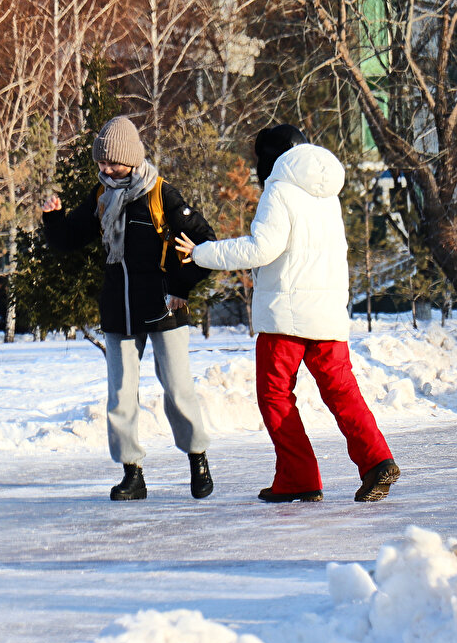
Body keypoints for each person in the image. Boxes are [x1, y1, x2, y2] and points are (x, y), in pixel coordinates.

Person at [176, 124, 398, 503]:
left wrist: (202, 252)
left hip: (287, 316)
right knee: (342, 392)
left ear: (271, 157)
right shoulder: (327, 195)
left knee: (274, 394)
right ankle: (377, 461)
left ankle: (298, 477)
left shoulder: (279, 191)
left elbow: (262, 249)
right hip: (327, 313)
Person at [42, 115, 217, 500]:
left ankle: (197, 459)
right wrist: (53, 220)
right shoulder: (101, 196)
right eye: (101, 164)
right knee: (120, 393)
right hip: (118, 309)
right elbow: (71, 239)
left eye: (114, 163)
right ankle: (132, 473)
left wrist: (179, 286)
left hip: (163, 307)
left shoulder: (160, 194)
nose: (106, 170)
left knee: (177, 388)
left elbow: (203, 244)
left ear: (133, 160)